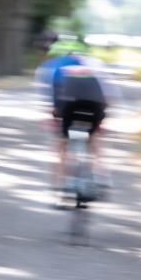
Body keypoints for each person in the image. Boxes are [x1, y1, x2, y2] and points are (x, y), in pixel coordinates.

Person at [44, 53, 110, 197]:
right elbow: (104, 101)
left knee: (63, 145)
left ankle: (59, 186)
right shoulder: (92, 72)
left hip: (70, 109)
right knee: (93, 139)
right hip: (95, 109)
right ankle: (102, 177)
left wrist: (55, 119)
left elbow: (57, 105)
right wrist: (101, 123)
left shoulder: (59, 72)